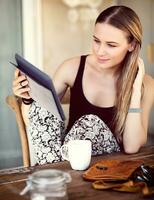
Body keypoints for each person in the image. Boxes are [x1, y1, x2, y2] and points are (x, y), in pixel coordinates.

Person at [13, 5, 154, 165]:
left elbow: (131, 146)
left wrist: (135, 90)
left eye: (111, 45)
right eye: (96, 41)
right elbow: (39, 123)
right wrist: (27, 99)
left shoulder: (146, 85)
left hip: (108, 171)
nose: (100, 51)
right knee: (41, 109)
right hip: (67, 163)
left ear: (132, 45)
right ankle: (55, 174)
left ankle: (53, 174)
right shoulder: (71, 68)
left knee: (90, 124)